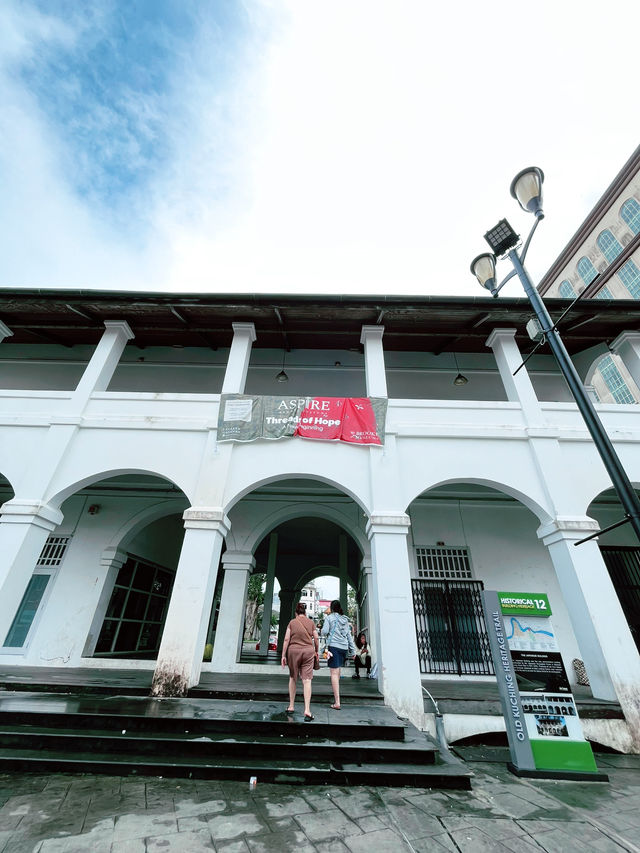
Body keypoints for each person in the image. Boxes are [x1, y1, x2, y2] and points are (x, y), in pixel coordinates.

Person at [281, 601, 319, 721]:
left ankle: (291, 706)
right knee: (307, 681)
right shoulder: (311, 622)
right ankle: (307, 710)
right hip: (308, 652)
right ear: (305, 612)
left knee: (293, 677)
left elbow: (286, 639)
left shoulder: (292, 622)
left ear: (296, 613)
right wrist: (316, 651)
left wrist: (283, 655)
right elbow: (316, 638)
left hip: (293, 652)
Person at [321, 599, 356, 710]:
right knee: (338, 672)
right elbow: (349, 636)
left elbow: (324, 631)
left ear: (331, 608)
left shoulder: (329, 618)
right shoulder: (344, 619)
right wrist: (353, 651)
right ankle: (337, 696)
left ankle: (337, 702)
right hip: (343, 648)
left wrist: (322, 629)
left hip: (334, 647)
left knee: (334, 674)